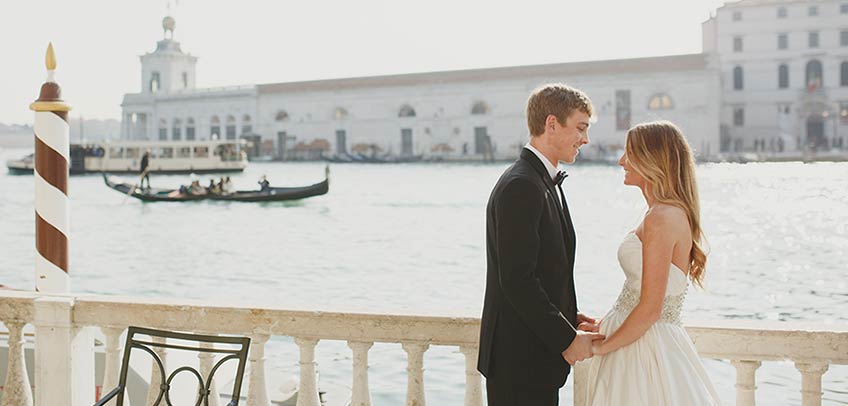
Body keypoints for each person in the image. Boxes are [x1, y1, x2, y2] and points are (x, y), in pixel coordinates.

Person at [477, 83, 603, 406]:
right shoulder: (522, 185)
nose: (585, 139)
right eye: (580, 127)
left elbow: (545, 270)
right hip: (518, 361)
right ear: (551, 124)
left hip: (533, 358)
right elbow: (518, 281)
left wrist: (569, 316)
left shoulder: (542, 180)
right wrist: (567, 339)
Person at [584, 121, 720, 405]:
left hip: (643, 351)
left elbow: (650, 309)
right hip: (640, 341)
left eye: (629, 154)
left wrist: (601, 348)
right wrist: (604, 323)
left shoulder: (662, 217)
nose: (621, 161)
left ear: (652, 160)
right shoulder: (662, 212)